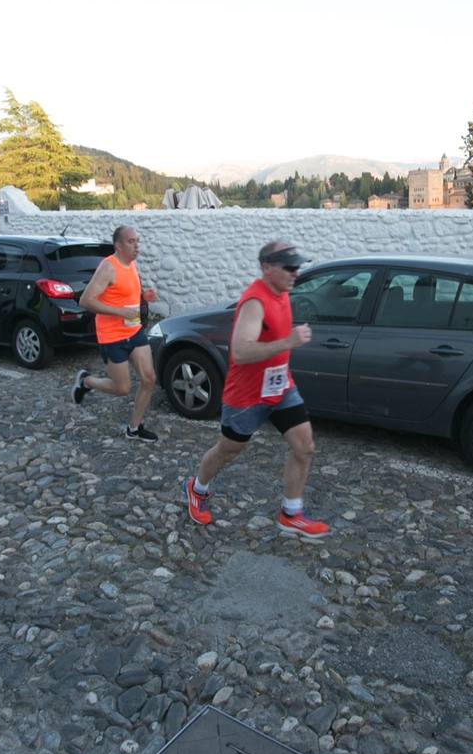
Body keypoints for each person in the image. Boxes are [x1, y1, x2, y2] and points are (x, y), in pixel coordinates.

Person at [182, 242, 329, 539]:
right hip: (247, 396)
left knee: (305, 446)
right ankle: (197, 488)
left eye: (297, 266)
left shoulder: (283, 292)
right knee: (229, 450)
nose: (295, 273)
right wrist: (288, 341)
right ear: (266, 268)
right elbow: (240, 351)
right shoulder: (254, 301)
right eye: (289, 267)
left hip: (280, 387)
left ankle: (291, 514)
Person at [71, 225, 160, 442]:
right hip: (112, 336)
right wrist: (119, 311)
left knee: (149, 379)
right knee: (122, 388)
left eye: (137, 241)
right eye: (131, 241)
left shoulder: (131, 264)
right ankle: (86, 381)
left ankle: (134, 428)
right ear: (118, 246)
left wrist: (143, 296)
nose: (136, 245)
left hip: (134, 330)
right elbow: (85, 301)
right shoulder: (108, 268)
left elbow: (123, 292)